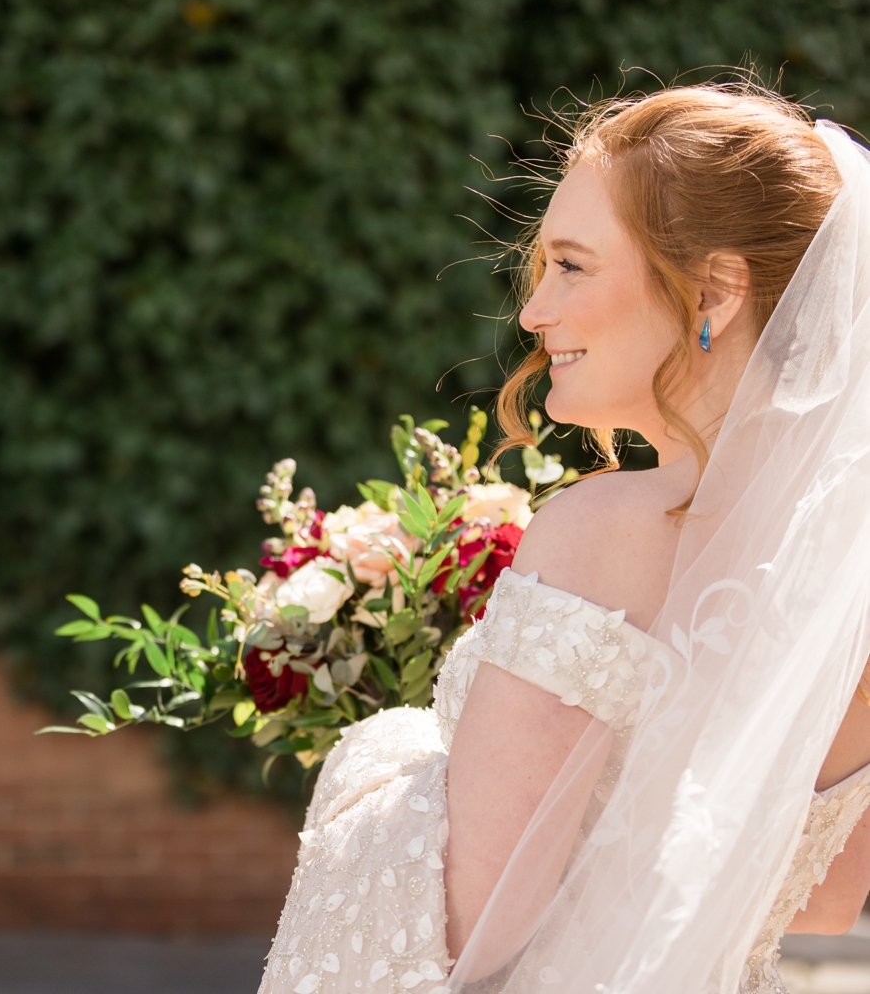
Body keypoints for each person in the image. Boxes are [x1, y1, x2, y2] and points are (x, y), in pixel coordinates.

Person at [259, 85, 870, 994]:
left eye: (572, 266)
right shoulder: (849, 567)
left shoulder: (608, 529)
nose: (535, 312)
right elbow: (823, 905)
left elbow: (468, 929)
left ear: (717, 289)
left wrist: (377, 748)